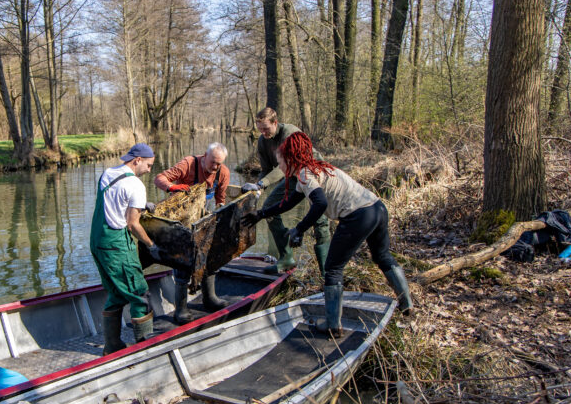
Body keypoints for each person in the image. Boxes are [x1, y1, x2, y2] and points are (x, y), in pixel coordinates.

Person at [242, 131, 413, 334]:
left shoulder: (305, 175)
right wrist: (261, 214)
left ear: (290, 159)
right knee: (382, 256)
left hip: (358, 216)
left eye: (281, 162)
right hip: (377, 208)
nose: (280, 167)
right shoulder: (315, 169)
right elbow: (288, 203)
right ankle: (406, 304)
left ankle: (333, 326)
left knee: (332, 269)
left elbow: (320, 203)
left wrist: (299, 228)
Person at [89, 143, 165, 355]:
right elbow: (132, 224)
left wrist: (141, 204)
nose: (149, 170)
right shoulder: (135, 185)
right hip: (116, 245)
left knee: (116, 293)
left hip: (97, 242)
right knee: (140, 295)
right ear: (137, 160)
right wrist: (151, 245)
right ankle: (145, 350)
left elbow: (115, 200)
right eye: (148, 165)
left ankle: (112, 347)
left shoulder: (107, 173)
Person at [240, 108, 331, 274]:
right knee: (269, 210)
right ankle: (286, 257)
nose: (263, 133)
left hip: (313, 173)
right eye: (260, 129)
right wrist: (259, 189)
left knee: (320, 221)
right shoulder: (263, 141)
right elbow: (266, 170)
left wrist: (261, 184)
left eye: (266, 129)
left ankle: (327, 273)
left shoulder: (290, 133)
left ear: (275, 123)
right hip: (292, 176)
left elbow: (285, 166)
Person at [152, 142, 232, 323]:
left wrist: (219, 212)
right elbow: (159, 178)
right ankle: (180, 309)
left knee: (210, 256)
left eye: (219, 163)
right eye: (212, 162)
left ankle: (209, 298)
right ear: (205, 155)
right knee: (182, 261)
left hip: (203, 221)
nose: (215, 167)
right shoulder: (188, 164)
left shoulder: (223, 173)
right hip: (180, 223)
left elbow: (220, 198)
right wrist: (172, 187)